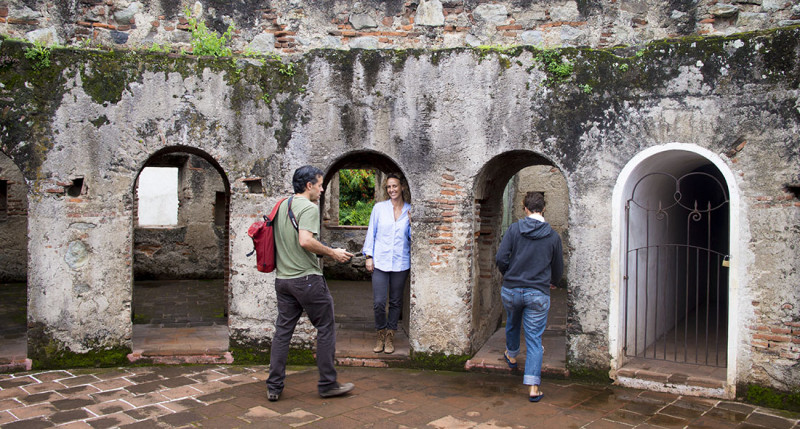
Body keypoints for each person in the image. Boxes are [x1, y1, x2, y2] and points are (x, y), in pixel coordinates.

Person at [266, 165, 355, 401]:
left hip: (283, 280)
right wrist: (332, 253)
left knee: (283, 332)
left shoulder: (282, 205)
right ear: (309, 186)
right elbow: (305, 241)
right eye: (320, 184)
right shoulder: (308, 207)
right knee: (325, 327)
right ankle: (327, 384)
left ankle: (274, 386)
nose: (322, 188)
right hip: (306, 279)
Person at [495, 191, 563, 402]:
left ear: (525, 208)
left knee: (513, 321)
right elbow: (558, 267)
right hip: (537, 292)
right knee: (534, 338)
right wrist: (552, 281)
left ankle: (512, 354)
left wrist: (509, 274)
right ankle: (533, 387)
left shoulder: (515, 229)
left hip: (512, 288)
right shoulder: (552, 236)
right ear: (543, 208)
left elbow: (500, 257)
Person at [362, 173, 411, 354]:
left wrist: (413, 224)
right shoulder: (379, 208)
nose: (392, 190)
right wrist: (369, 256)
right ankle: (380, 333)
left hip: (401, 262)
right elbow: (371, 232)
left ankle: (391, 335)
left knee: (396, 302)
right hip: (380, 261)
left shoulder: (409, 210)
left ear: (402, 187)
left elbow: (411, 239)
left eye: (395, 186)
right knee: (379, 302)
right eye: (389, 187)